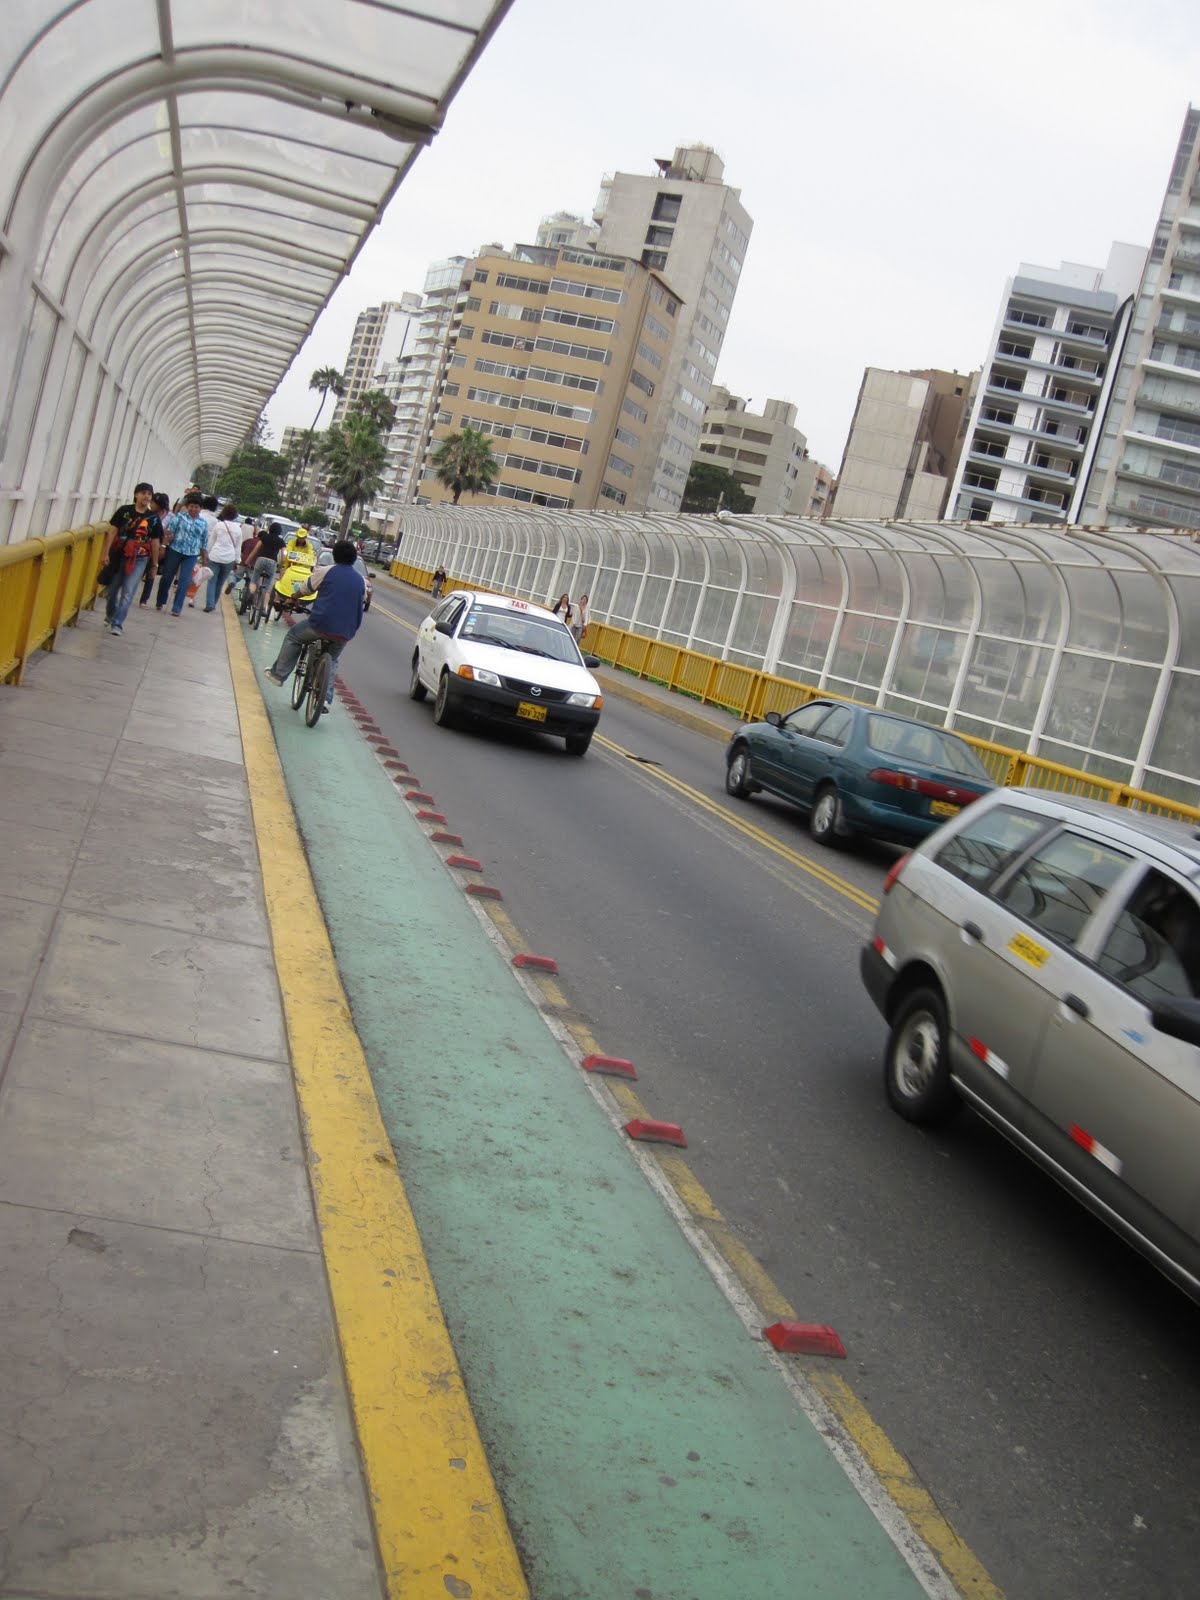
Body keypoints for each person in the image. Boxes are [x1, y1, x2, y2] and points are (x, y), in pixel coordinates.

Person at [264, 538, 365, 711]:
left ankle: (278, 675)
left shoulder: (327, 571)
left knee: (294, 637)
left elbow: (306, 589)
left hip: (320, 625)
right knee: (333, 659)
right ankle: (325, 699)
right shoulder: (360, 581)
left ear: (335, 556)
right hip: (346, 632)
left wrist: (293, 599)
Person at [101, 482, 163, 636]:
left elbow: (155, 543)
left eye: (149, 494)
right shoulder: (124, 511)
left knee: (128, 592)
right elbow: (112, 532)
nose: (146, 496)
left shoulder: (154, 519)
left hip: (139, 559)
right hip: (119, 555)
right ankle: (111, 614)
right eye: (143, 493)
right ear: (136, 495)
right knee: (111, 591)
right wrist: (105, 553)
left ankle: (117, 624)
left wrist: (154, 564)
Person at [155, 490, 208, 615]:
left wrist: (204, 559)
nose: (193, 509)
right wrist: (163, 546)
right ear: (187, 506)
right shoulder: (179, 517)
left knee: (184, 580)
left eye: (196, 507)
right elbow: (169, 532)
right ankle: (161, 600)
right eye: (191, 506)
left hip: (192, 554)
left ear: (200, 508)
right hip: (175, 550)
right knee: (167, 576)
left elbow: (203, 542)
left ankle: (177, 608)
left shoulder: (203, 523)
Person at [242, 521, 288, 606]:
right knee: (267, 588)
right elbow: (284, 556)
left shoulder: (264, 537)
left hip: (261, 560)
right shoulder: (281, 541)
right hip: (272, 562)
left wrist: (247, 561)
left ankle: (251, 593)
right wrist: (279, 567)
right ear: (280, 531)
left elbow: (255, 550)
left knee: (254, 580)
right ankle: (263, 608)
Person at [204, 502, 241, 610]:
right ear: (235, 515)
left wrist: (206, 554)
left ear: (224, 513)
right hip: (229, 559)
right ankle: (214, 604)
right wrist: (237, 561)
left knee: (211, 581)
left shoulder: (219, 525)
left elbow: (211, 541)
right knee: (220, 583)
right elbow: (238, 547)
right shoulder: (238, 529)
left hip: (215, 556)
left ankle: (209, 604)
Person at [139, 493, 172, 606]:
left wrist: (163, 546)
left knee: (152, 571)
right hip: (145, 545)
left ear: (159, 505)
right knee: (140, 569)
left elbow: (169, 534)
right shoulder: (148, 514)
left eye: (153, 503)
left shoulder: (169, 517)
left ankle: (144, 599)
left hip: (158, 547)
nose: (150, 504)